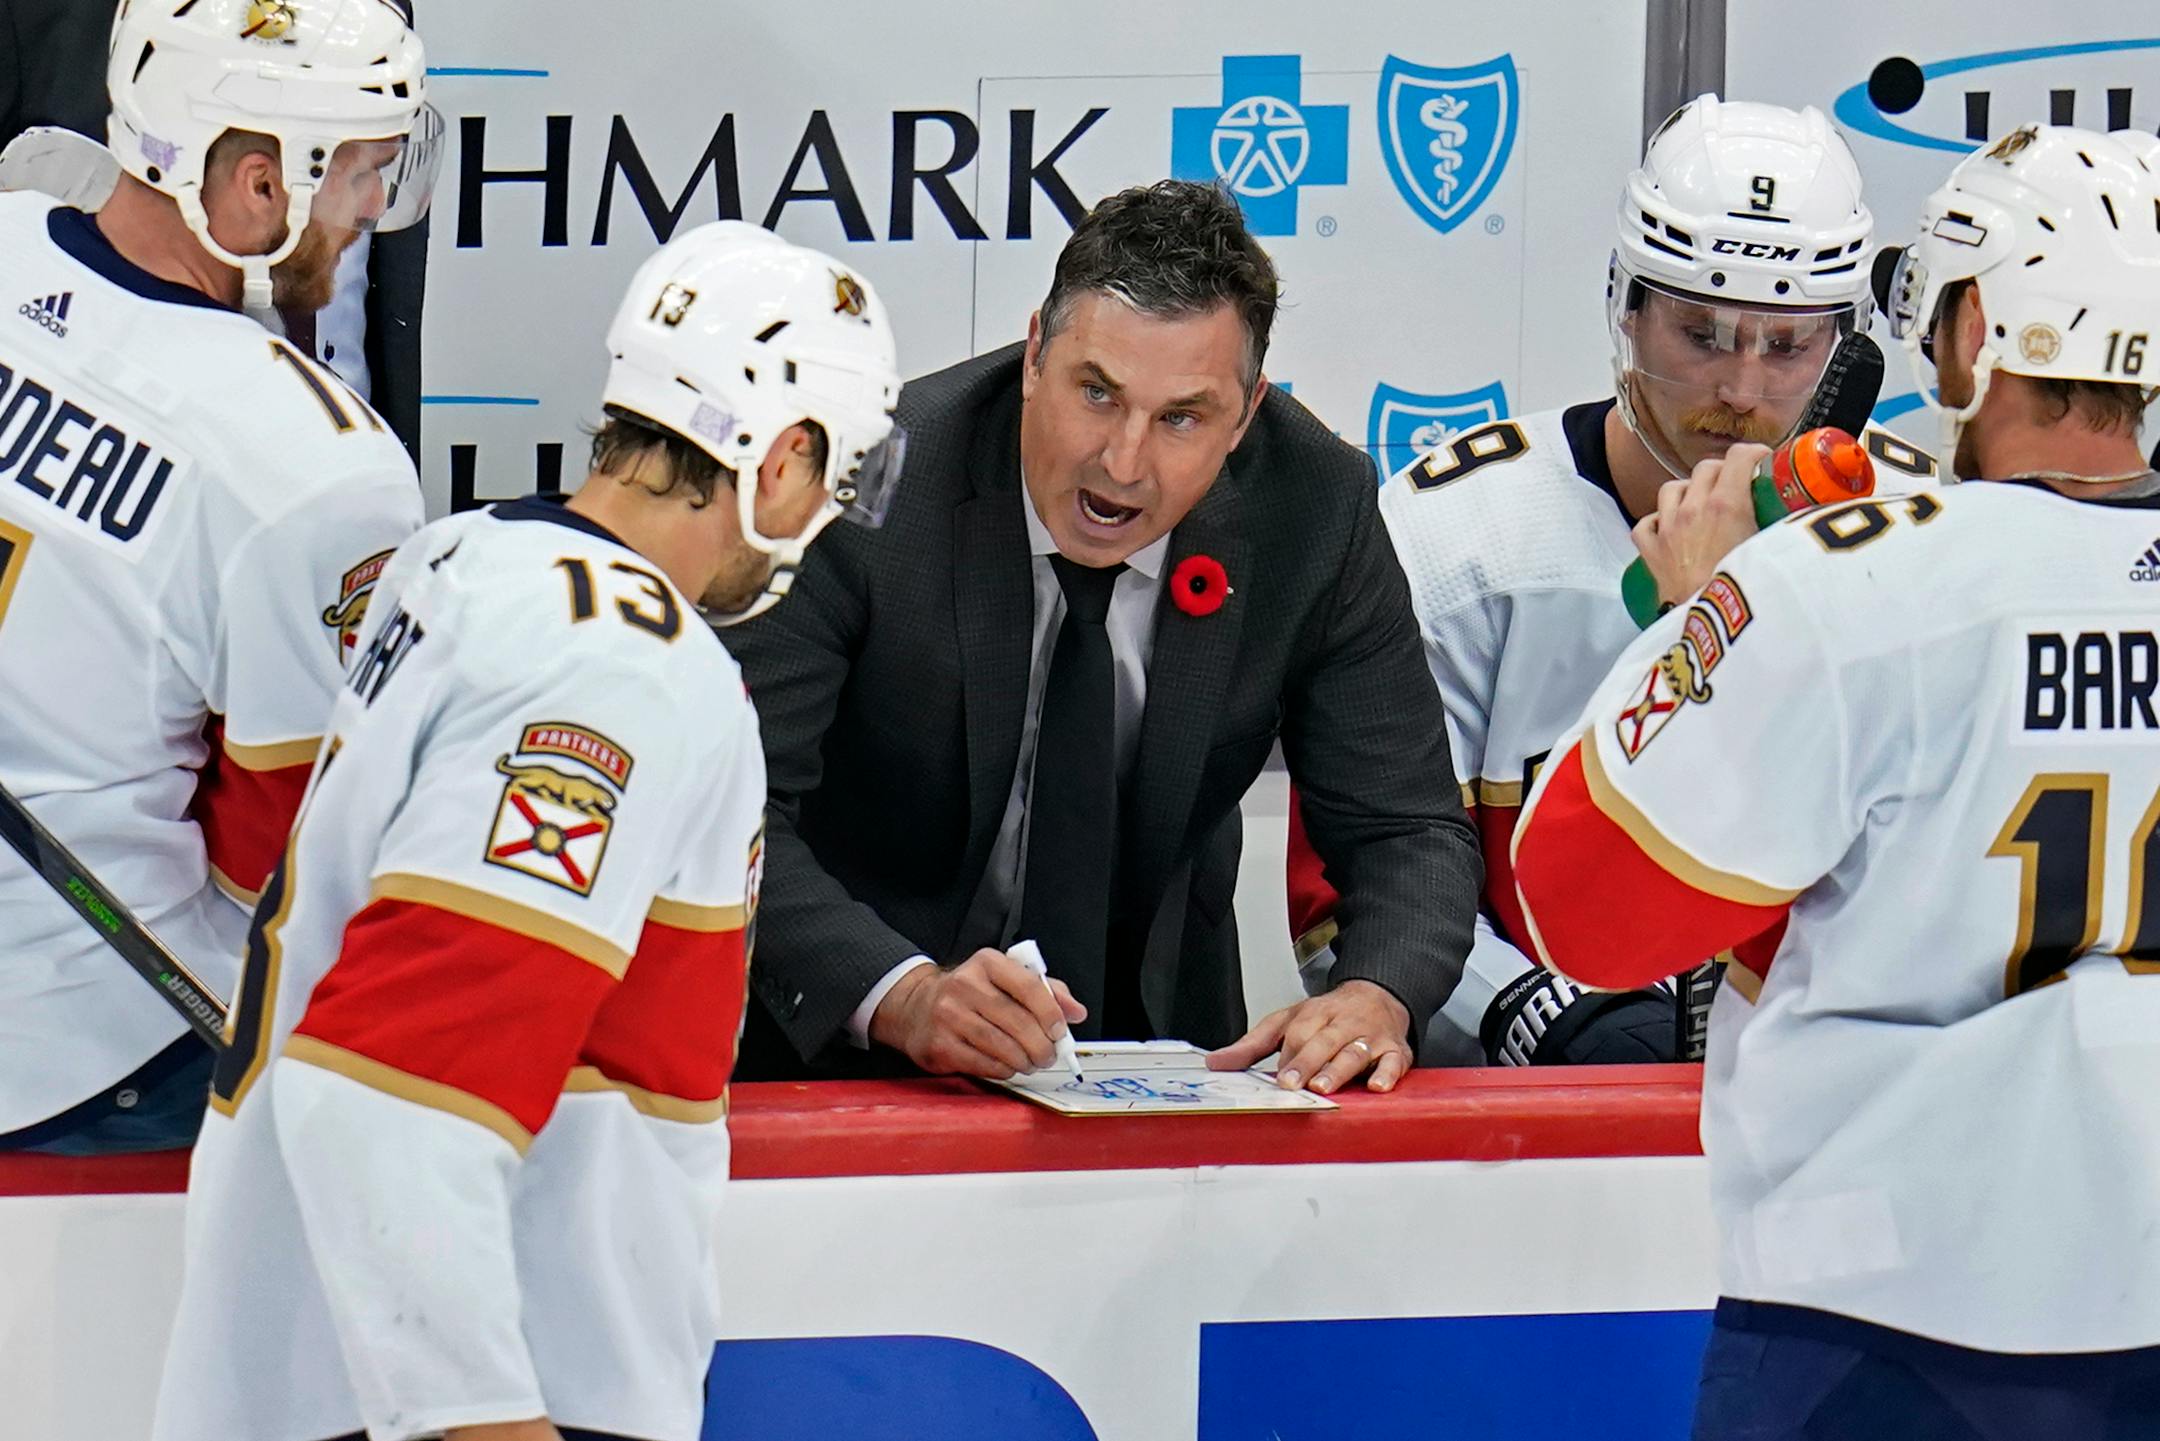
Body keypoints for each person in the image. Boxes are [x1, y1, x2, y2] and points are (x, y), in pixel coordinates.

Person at [153, 220, 905, 1441]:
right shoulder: (621, 664)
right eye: (835, 477)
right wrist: (485, 1419)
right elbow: (391, 1096)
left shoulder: (465, 560)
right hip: (458, 1398)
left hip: (319, 1374)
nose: (824, 517)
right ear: (783, 455)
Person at [1513, 125, 2160, 1438]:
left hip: (1880, 1318)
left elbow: (1583, 906)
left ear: (1976, 332)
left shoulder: (1844, 575)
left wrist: (1703, 611)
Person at [724, 179, 1478, 1093]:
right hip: (856, 1061)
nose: (1122, 463)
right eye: (1097, 393)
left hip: (1157, 1054)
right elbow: (733, 814)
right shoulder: (873, 487)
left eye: (1181, 419)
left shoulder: (1317, 510)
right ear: (1036, 350)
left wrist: (1377, 993)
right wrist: (901, 993)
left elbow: (1406, 824)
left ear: (1245, 416)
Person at [1286, 95, 1937, 1066]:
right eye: (1703, 334)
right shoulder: (1456, 532)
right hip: (1531, 1142)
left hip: (1840, 1096)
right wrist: (1539, 1013)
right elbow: (1348, 889)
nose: (1743, 392)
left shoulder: (1927, 537)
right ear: (1625, 306)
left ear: (1846, 349)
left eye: (1788, 344)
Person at [0, 0, 435, 1155]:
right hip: (88, 1043)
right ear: (255, 184)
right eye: (359, 175)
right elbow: (287, 859)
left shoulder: (7, 238)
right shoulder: (318, 466)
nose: (372, 213)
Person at [0, 0, 434, 462]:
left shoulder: (373, 19)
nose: (376, 203)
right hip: (100, 457)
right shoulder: (37, 18)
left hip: (341, 458)